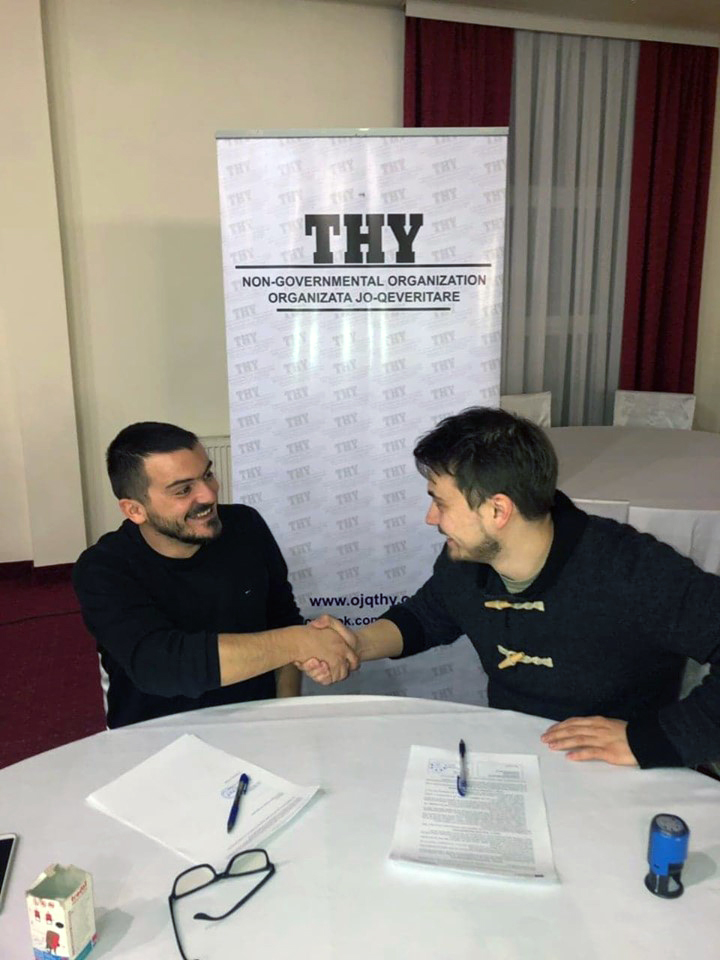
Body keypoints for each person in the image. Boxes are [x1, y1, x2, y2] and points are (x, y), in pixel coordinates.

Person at [303, 407, 720, 770]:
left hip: (614, 776)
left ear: (498, 510)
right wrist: (356, 644)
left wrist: (649, 740)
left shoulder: (629, 568)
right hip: (518, 759)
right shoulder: (466, 561)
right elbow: (427, 616)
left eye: (441, 502)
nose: (431, 518)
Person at [73, 422, 357, 728]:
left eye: (207, 475)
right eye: (184, 490)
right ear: (134, 510)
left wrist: (284, 713)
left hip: (257, 724)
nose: (209, 495)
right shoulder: (104, 568)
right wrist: (297, 642)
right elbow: (162, 666)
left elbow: (282, 619)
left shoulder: (246, 525)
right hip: (156, 735)